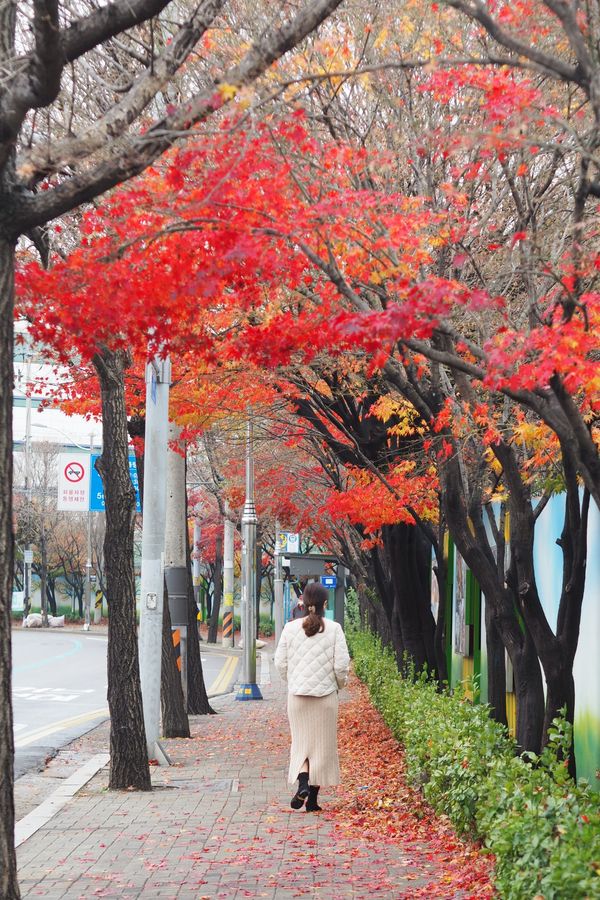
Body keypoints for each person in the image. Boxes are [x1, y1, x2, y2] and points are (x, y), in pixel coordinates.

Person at [274, 582, 350, 812]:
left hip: (297, 698)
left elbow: (280, 662)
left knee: (301, 744)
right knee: (322, 748)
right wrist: (337, 685)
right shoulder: (334, 629)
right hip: (325, 699)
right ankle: (313, 801)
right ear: (324, 604)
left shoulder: (289, 629)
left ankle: (303, 783)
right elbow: (341, 666)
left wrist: (293, 681)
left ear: (303, 603)